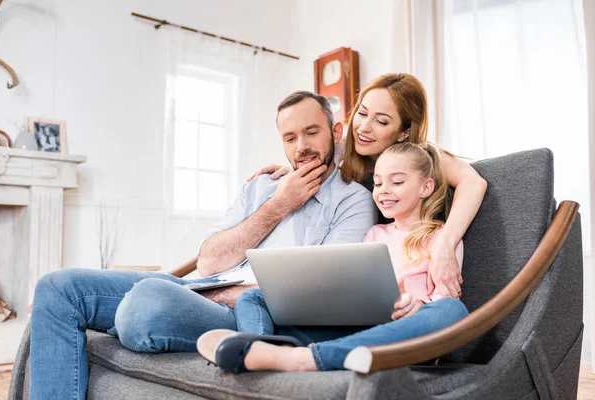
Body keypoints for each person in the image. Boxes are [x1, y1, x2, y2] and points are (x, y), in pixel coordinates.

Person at [28, 91, 376, 399]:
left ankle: (134, 314)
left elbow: (319, 291)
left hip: (248, 311)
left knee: (146, 303)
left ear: (335, 132)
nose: (301, 146)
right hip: (201, 288)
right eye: (290, 137)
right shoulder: (262, 189)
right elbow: (208, 262)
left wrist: (220, 294)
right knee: (57, 288)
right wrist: (278, 205)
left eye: (312, 132)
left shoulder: (353, 201)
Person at [197, 142, 468, 373]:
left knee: (453, 312)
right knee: (253, 296)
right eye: (377, 183)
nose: (384, 190)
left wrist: (418, 306)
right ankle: (262, 349)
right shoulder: (375, 232)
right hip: (355, 331)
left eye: (397, 182)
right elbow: (353, 286)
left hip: (406, 338)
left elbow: (445, 300)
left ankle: (296, 358)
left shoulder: (443, 238)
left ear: (426, 187)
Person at [247, 73, 487, 299]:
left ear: (404, 132)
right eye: (362, 113)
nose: (363, 127)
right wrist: (289, 170)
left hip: (413, 274)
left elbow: (473, 182)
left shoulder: (420, 157)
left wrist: (445, 246)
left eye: (381, 121)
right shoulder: (346, 147)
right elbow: (312, 152)